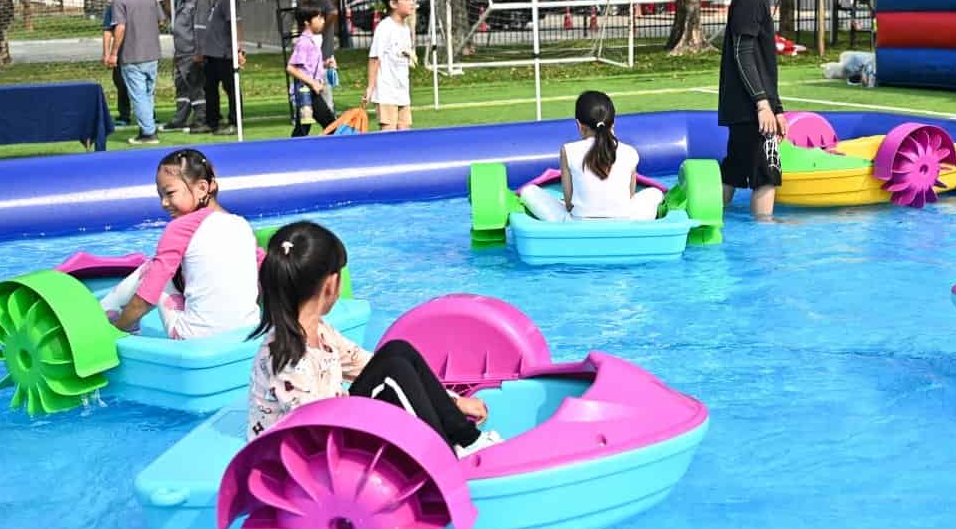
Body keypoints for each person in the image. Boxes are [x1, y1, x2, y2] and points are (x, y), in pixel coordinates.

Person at [246, 221, 502, 456]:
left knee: (396, 352)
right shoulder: (289, 359)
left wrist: (453, 401)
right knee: (392, 372)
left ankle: (465, 438)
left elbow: (367, 364)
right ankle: (444, 457)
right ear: (331, 284)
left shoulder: (319, 332)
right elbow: (310, 433)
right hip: (309, 452)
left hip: (330, 422)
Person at [98, 149, 261, 338]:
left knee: (153, 269)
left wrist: (116, 332)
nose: (164, 203)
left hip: (193, 337)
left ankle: (104, 317)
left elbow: (148, 294)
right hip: (249, 331)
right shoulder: (242, 225)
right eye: (161, 196)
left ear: (202, 188)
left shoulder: (180, 227)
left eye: (169, 193)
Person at [718, 0, 795, 218]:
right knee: (767, 173)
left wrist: (777, 108)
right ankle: (765, 231)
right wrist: (762, 105)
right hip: (751, 107)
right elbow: (743, 53)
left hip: (751, 105)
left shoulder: (755, 0)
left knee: (734, 169)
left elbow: (762, 63)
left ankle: (712, 219)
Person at [518, 90, 665, 222]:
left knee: (528, 191)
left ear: (579, 125)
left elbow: (569, 205)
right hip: (625, 223)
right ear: (613, 124)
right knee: (655, 193)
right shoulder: (630, 152)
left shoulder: (568, 150)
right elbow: (630, 197)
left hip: (577, 226)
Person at [105, 0, 164, 146]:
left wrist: (113, 53)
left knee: (138, 96)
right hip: (152, 52)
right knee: (148, 93)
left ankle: (148, 133)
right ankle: (147, 126)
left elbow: (120, 27)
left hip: (131, 54)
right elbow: (161, 21)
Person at [162, 0, 211, 133]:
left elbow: (200, 28)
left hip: (192, 53)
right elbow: (170, 14)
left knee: (196, 88)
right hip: (181, 53)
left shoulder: (199, 0)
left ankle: (201, 119)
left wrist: (200, 52)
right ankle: (180, 119)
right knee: (182, 88)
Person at [201, 0, 246, 135]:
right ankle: (212, 121)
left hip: (225, 52)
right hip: (212, 52)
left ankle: (235, 122)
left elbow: (236, 23)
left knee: (231, 88)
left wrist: (238, 49)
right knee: (210, 87)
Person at [366, 0, 415, 131]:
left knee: (405, 130)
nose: (411, 3)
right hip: (386, 91)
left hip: (402, 90)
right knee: (388, 131)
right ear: (393, 4)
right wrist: (370, 87)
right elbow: (374, 58)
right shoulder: (385, 27)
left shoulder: (405, 28)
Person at [287, 7, 338, 137]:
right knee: (330, 125)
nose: (323, 21)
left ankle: (292, 148)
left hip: (310, 92)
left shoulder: (311, 41)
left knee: (303, 129)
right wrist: (313, 83)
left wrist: (325, 64)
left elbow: (307, 67)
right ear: (307, 22)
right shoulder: (304, 42)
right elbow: (291, 68)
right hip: (306, 92)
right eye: (319, 18)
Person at [295, 0, 339, 109]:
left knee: (324, 91)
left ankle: (329, 117)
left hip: (323, 52)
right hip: (318, 54)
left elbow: (333, 12)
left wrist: (321, 29)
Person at [100, 0, 130, 126]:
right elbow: (107, 30)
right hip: (122, 52)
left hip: (136, 52)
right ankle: (124, 115)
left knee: (142, 85)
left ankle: (149, 115)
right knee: (121, 83)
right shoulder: (114, 6)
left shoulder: (142, 2)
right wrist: (107, 54)